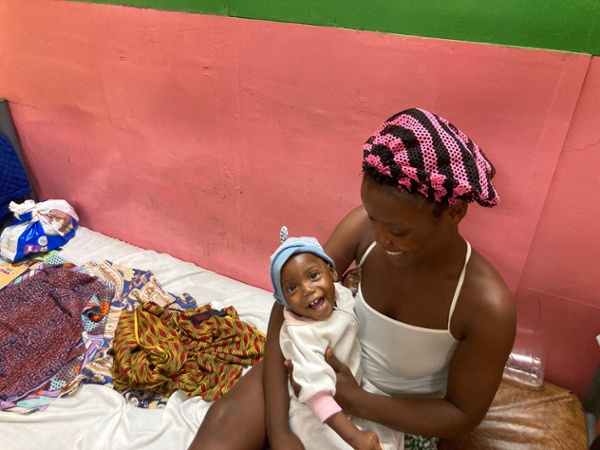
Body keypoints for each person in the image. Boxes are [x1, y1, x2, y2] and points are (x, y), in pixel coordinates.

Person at [188, 107, 516, 450]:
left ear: (454, 212)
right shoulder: (362, 229)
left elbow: (462, 414)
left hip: (391, 414)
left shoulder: (486, 306)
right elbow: (286, 302)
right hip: (313, 374)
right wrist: (280, 429)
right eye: (374, 219)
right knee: (222, 426)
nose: (382, 238)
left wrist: (355, 401)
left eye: (398, 230)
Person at [269, 230, 403, 450]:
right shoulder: (302, 335)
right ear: (285, 301)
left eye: (313, 276)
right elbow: (316, 396)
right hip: (319, 414)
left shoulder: (338, 295)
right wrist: (355, 438)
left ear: (331, 273)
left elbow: (345, 307)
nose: (307, 289)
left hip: (352, 393)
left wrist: (348, 285)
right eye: (292, 288)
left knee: (387, 436)